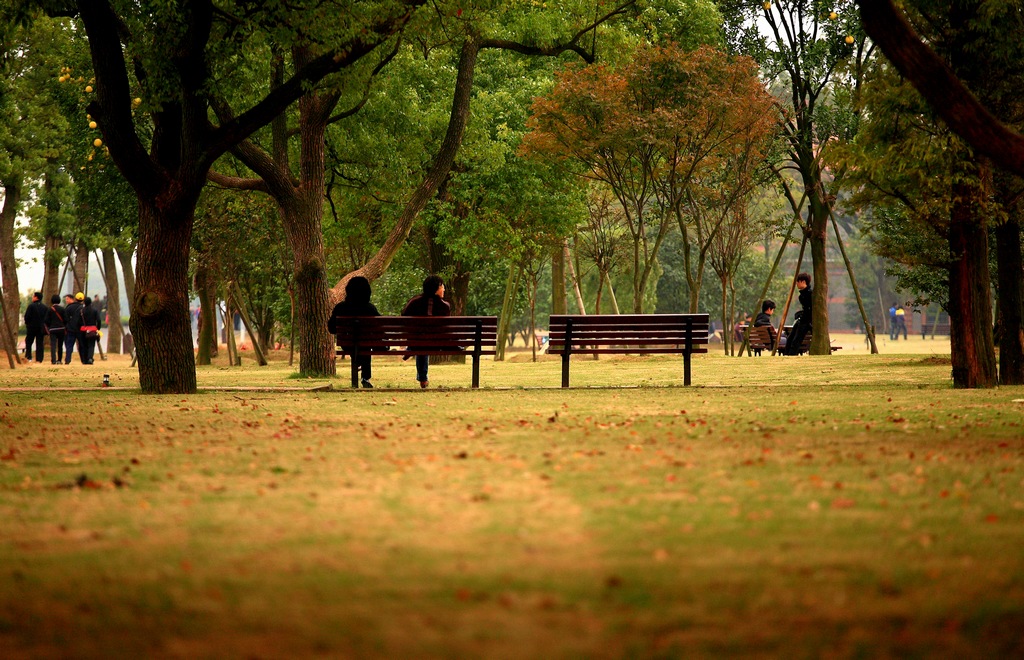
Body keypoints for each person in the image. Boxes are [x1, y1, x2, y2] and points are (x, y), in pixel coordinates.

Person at [327, 276, 380, 388]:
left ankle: (359, 362)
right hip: (366, 343)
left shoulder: (340, 308)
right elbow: (380, 327)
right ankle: (365, 377)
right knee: (365, 345)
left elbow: (331, 328)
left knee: (358, 346)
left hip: (347, 344)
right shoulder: (370, 309)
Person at [402, 275, 450, 388]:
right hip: (438, 343)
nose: (444, 289)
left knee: (422, 343)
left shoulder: (414, 302)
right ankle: (413, 348)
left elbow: (403, 318)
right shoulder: (444, 306)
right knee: (424, 342)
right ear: (437, 288)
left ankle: (422, 378)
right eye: (442, 286)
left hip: (417, 342)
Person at [784, 273, 813, 355]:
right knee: (790, 339)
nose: (796, 283)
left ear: (803, 282)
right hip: (802, 319)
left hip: (807, 321)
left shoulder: (810, 294)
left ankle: (791, 355)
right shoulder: (802, 295)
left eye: (798, 281)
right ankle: (787, 355)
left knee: (796, 340)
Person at [23, 292, 48, 363]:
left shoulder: (31, 306)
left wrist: (27, 324)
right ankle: (39, 358)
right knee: (40, 343)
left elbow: (27, 317)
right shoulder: (45, 307)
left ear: (36, 297)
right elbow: (46, 318)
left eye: (33, 296)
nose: (32, 297)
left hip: (31, 327)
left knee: (29, 342)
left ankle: (28, 356)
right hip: (41, 328)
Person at [79, 296, 102, 364]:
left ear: (84, 303)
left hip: (83, 330)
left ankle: (85, 359)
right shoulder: (94, 310)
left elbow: (79, 321)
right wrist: (98, 328)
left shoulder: (81, 311)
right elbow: (99, 320)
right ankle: (90, 358)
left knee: (84, 345)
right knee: (91, 345)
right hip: (92, 330)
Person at [45, 294, 66, 364]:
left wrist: (49, 326)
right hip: (61, 329)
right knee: (60, 345)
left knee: (53, 345)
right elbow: (66, 319)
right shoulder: (62, 309)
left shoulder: (50, 310)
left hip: (53, 329)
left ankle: (53, 360)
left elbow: (46, 320)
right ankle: (59, 359)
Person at [63, 293, 84, 364]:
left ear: (75, 298)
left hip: (71, 329)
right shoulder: (83, 307)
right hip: (80, 330)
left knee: (69, 345)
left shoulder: (69, 307)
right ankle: (83, 360)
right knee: (81, 345)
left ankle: (67, 360)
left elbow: (65, 319)